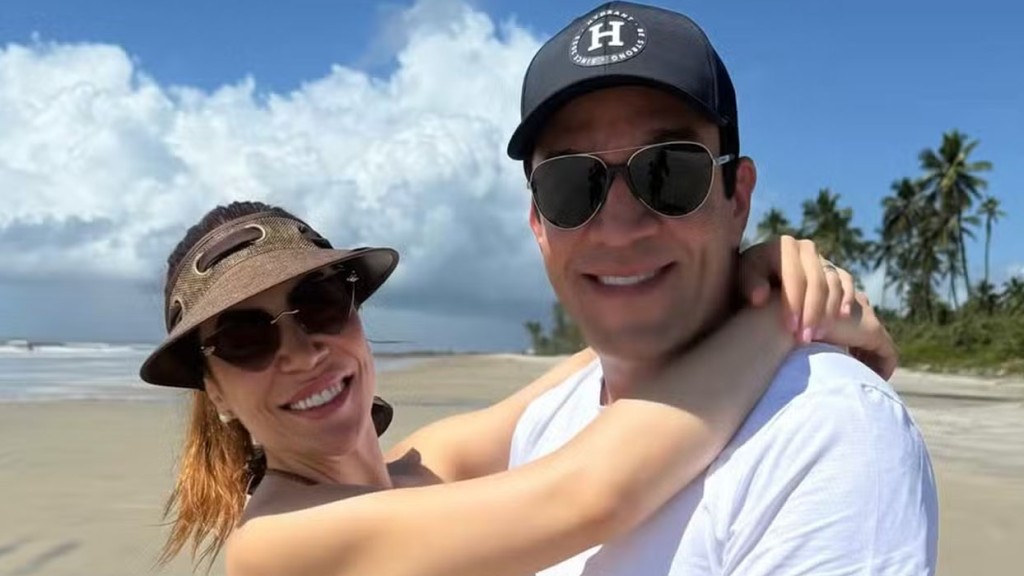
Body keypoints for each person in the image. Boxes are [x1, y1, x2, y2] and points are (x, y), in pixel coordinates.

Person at [140, 200, 894, 576]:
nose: (301, 351)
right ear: (217, 394)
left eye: (320, 304)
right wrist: (784, 319)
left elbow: (599, 362)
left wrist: (742, 281)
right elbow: (590, 496)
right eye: (245, 339)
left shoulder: (428, 466)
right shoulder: (274, 546)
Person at [501, 2, 940, 574]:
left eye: (668, 170)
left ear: (738, 196)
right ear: (538, 224)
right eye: (571, 183)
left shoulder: (828, 430)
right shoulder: (545, 422)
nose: (619, 227)